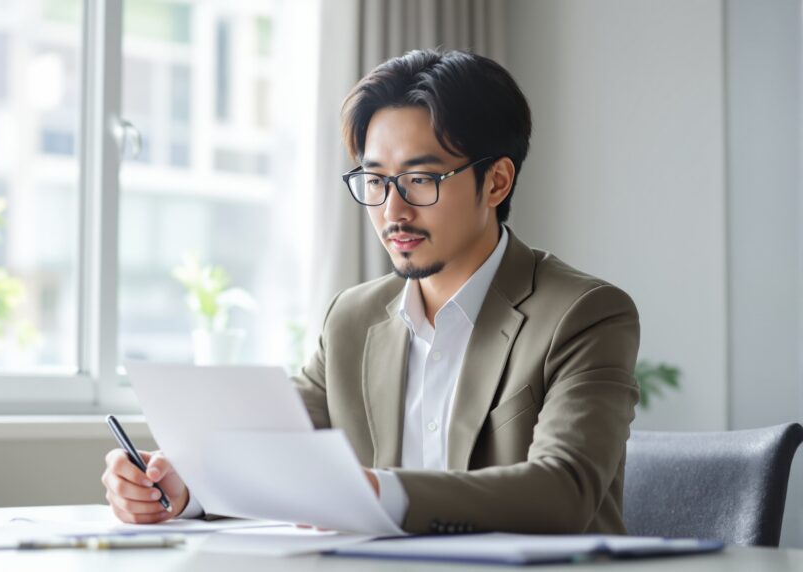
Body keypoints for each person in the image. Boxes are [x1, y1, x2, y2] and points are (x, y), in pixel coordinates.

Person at [102, 49, 639, 535]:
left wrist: (380, 493)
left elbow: (562, 491)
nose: (392, 211)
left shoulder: (583, 313)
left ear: (496, 182)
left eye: (421, 179)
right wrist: (184, 485)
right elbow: (273, 455)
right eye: (376, 180)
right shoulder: (352, 319)